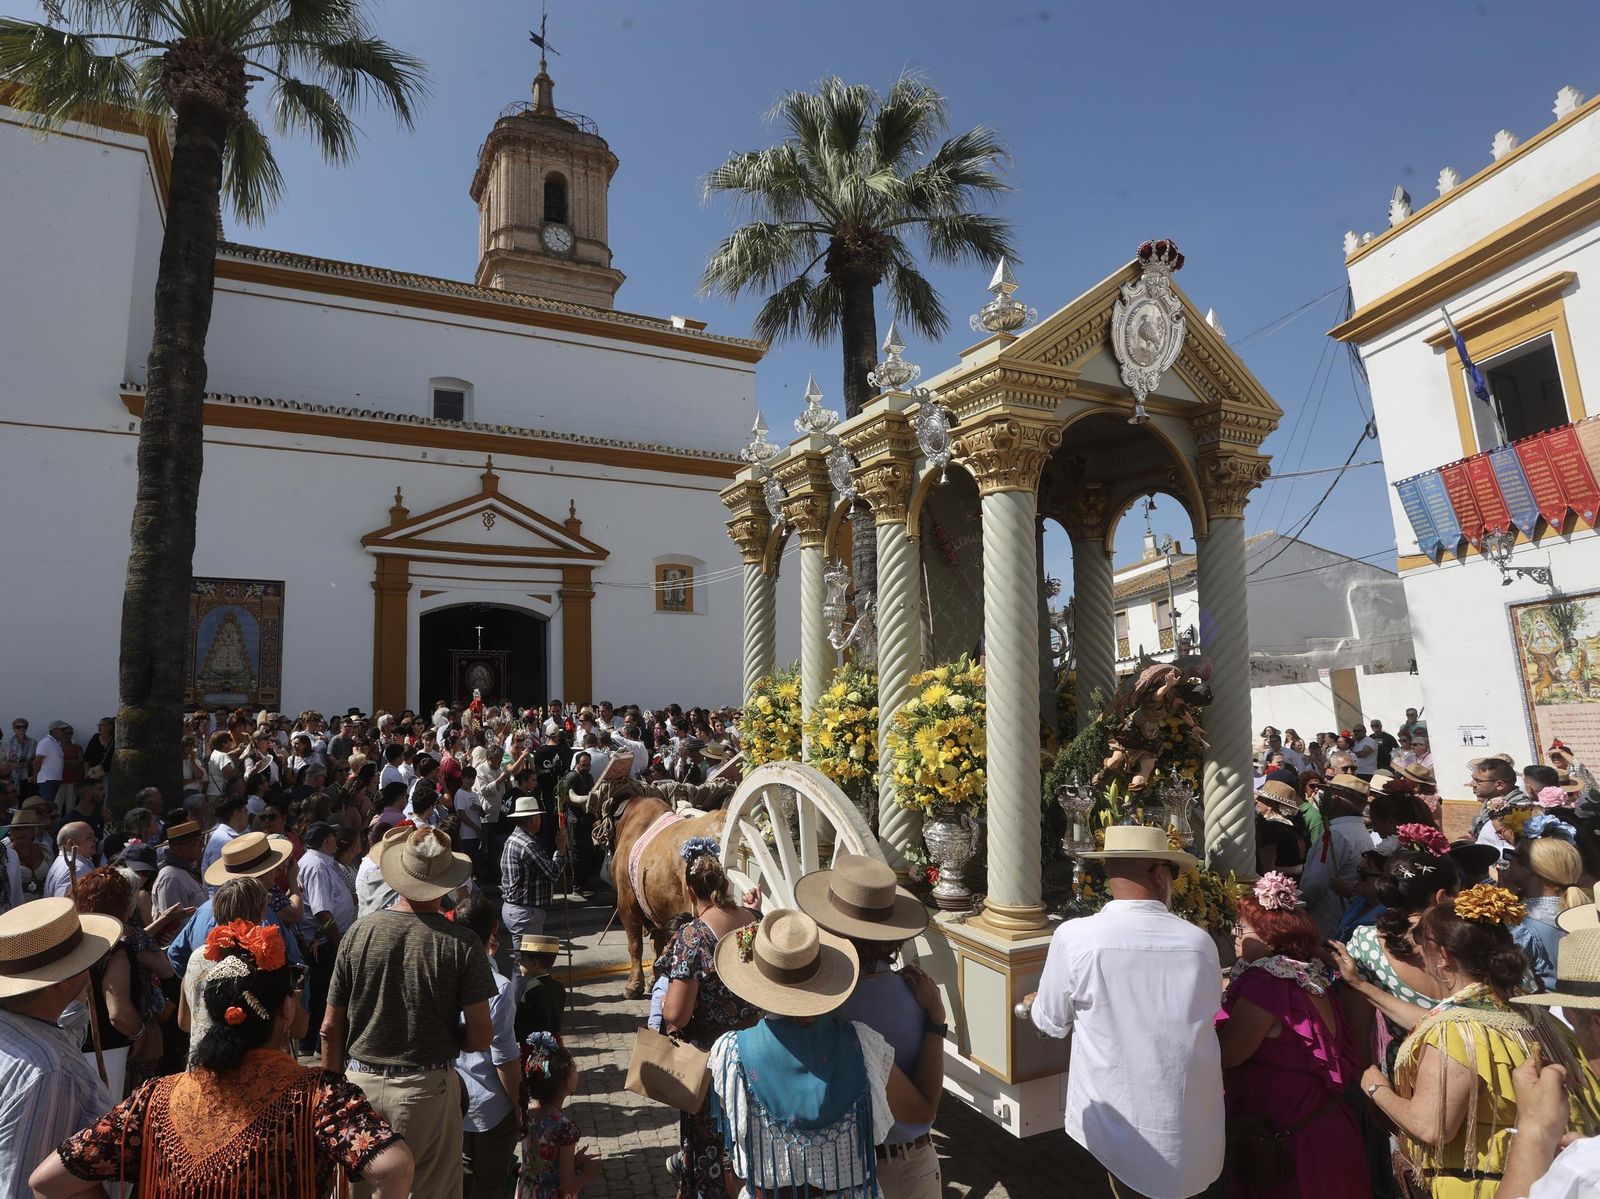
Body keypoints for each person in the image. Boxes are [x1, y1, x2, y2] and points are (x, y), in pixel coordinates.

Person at [35, 918, 414, 1197]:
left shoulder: (154, 1099)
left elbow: (48, 1181)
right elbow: (393, 1167)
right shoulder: (319, 1097)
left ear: (211, 1014)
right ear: (286, 1009)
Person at [1362, 885, 1600, 1196]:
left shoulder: (1453, 1031)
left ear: (1444, 957)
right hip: (1549, 1177)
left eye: (1422, 943)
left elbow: (1432, 1127)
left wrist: (1376, 1088)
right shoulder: (1539, 1018)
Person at [1029, 825, 1225, 1199]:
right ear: (1158, 872)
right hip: (1189, 1125)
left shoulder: (1076, 937)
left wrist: (1030, 1005)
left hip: (1116, 1124)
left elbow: (1051, 1022)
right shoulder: (1199, 942)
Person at [709, 908, 944, 1199]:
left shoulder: (731, 1054)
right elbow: (921, 1111)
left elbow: (734, 1151)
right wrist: (937, 1022)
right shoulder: (864, 1045)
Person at [322, 826, 496, 1199]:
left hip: (359, 1088)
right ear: (445, 883)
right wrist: (452, 1035)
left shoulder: (358, 933)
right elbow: (482, 1036)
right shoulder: (463, 945)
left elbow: (329, 1028)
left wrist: (332, 1096)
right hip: (427, 1092)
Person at [798, 853, 947, 1199]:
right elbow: (925, 1110)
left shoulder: (824, 1006)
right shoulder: (918, 996)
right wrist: (937, 1018)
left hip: (841, 1170)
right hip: (911, 1165)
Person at [1216, 872, 1370, 1198]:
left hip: (1291, 1146)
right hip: (1327, 1131)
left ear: (1270, 937)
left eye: (1242, 928)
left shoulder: (1266, 982)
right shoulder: (1306, 971)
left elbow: (1228, 1054)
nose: (1235, 934)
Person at [659, 836, 762, 1198]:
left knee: (716, 1150)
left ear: (690, 889)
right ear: (724, 883)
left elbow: (677, 1013)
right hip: (757, 1056)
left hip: (713, 1069)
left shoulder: (693, 937)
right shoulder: (753, 921)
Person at [0, 897, 120, 1199]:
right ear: (64, 981)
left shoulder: (21, 1034)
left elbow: (60, 1036)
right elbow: (20, 1189)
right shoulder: (50, 1071)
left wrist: (75, 1002)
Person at [454, 893, 522, 1199]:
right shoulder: (499, 986)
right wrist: (519, 1104)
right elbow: (504, 1057)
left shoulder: (444, 973)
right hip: (490, 1107)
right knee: (491, 1183)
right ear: (494, 927)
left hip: (454, 1101)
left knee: (465, 1177)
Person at [1502, 817, 1587, 991]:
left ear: (1529, 868)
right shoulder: (1590, 908)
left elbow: (1516, 989)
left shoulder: (1520, 928)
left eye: (1513, 855)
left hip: (1548, 1014)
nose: (1508, 861)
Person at [296, 820, 356, 1055]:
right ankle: (315, 1047)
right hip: (322, 944)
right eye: (334, 839)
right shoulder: (317, 865)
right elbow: (321, 910)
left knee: (323, 994)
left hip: (327, 941)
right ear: (327, 841)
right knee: (324, 995)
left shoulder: (320, 861)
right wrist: (336, 938)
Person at [518, 1033, 601, 1198]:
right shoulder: (563, 1128)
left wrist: (572, 1162)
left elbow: (541, 1162)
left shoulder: (528, 1111)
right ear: (566, 1082)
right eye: (574, 1068)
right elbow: (567, 1185)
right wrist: (587, 1175)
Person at [1301, 774, 1373, 937]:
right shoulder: (1358, 831)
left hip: (1326, 921)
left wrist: (1297, 907)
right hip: (1340, 917)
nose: (1322, 798)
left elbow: (1314, 883)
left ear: (1336, 799)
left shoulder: (1337, 834)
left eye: (1327, 794)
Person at [500, 793, 567, 946]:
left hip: (517, 910)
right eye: (538, 817)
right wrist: (560, 850)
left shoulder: (514, 839)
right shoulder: (527, 844)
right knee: (526, 964)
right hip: (525, 912)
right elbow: (552, 873)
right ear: (534, 819)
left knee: (523, 962)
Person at [150, 819, 206, 918]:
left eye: (202, 839)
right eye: (196, 842)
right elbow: (172, 926)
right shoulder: (171, 878)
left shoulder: (184, 871)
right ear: (179, 849)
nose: (203, 844)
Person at [515, 934, 565, 1043]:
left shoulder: (531, 989)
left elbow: (521, 1022)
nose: (519, 963)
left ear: (535, 963)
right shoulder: (559, 987)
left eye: (523, 959)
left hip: (533, 1046)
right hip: (554, 1042)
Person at [1254, 779, 1306, 878]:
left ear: (1271, 805)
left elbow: (1267, 870)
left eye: (1261, 798)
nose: (1257, 801)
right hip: (1295, 884)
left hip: (1276, 887)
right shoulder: (1294, 827)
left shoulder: (1271, 829)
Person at [200, 794, 251, 879]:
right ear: (236, 814)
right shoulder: (223, 841)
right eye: (245, 812)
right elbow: (217, 879)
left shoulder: (226, 837)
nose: (248, 815)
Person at [44, 822, 95, 898]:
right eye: (89, 837)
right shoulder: (76, 869)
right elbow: (64, 905)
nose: (95, 840)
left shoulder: (62, 862)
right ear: (71, 844)